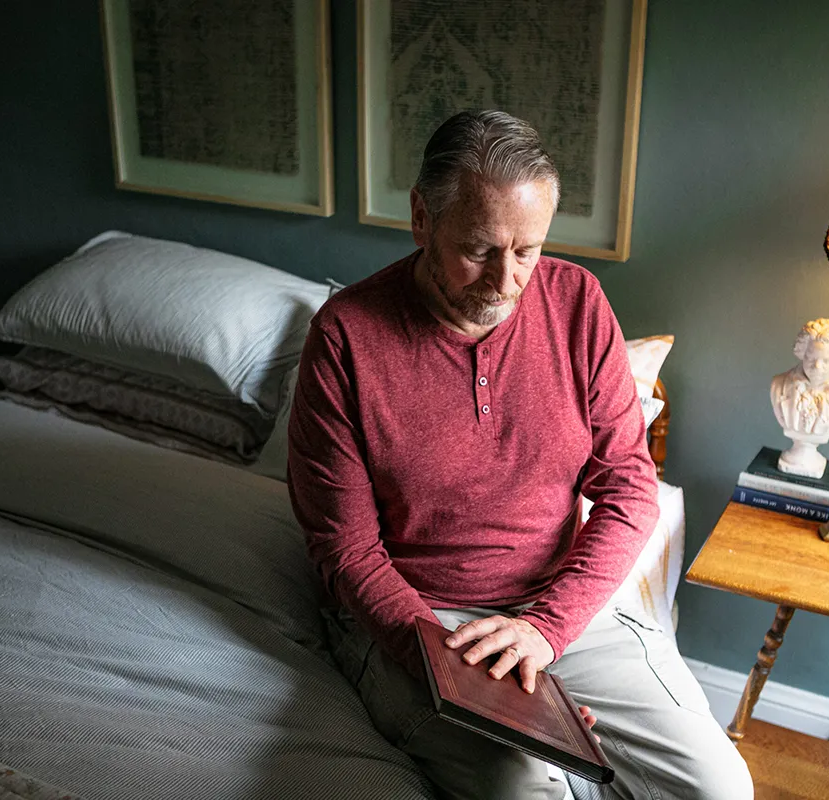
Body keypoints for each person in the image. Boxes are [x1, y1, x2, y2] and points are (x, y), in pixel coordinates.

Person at [287, 110, 752, 800]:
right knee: (525, 786)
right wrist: (486, 683)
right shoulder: (347, 336)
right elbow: (345, 547)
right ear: (421, 218)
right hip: (422, 620)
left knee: (719, 787)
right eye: (479, 249)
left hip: (561, 608)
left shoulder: (577, 303)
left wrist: (547, 630)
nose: (506, 280)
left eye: (528, 250)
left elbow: (629, 487)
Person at [770, 318, 829, 477]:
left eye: (827, 360)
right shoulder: (778, 385)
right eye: (810, 358)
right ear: (802, 353)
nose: (817, 366)